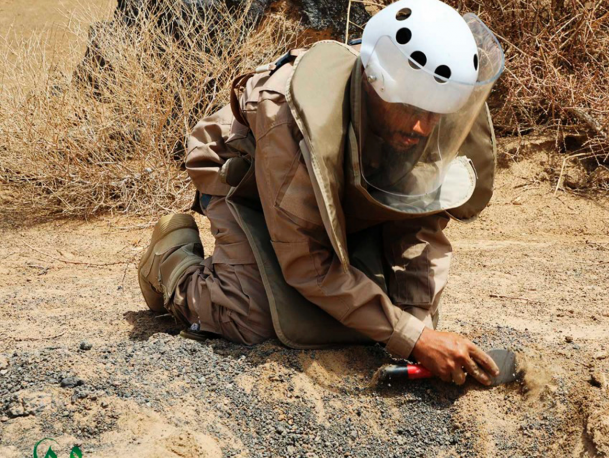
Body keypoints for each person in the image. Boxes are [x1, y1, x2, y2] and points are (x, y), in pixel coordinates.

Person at [137, 0, 505, 386]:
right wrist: (415, 339)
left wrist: (417, 325)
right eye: (411, 108)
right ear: (374, 82)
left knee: (393, 313)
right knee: (251, 314)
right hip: (249, 180)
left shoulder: (422, 113)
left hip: (336, 193)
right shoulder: (288, 117)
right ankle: (170, 260)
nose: (421, 127)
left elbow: (420, 230)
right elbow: (307, 263)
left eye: (436, 114)